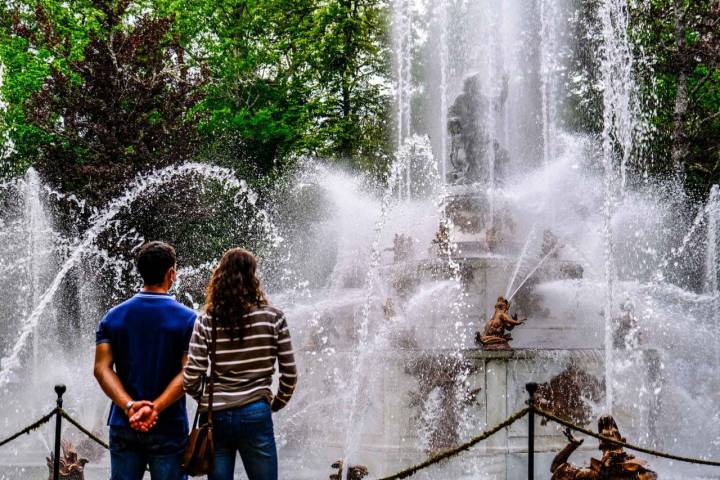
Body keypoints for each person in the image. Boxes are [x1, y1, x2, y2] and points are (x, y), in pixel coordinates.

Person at [183, 247, 297, 480]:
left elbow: (191, 376)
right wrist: (276, 402)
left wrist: (205, 400)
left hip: (216, 416)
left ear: (220, 276)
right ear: (253, 276)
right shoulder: (274, 317)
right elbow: (289, 373)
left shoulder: (207, 320)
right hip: (256, 410)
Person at [94, 241, 196, 480]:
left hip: (124, 421)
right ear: (171, 273)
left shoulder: (113, 317)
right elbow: (189, 372)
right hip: (169, 424)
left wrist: (130, 407)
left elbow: (101, 369)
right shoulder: (189, 320)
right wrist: (155, 408)